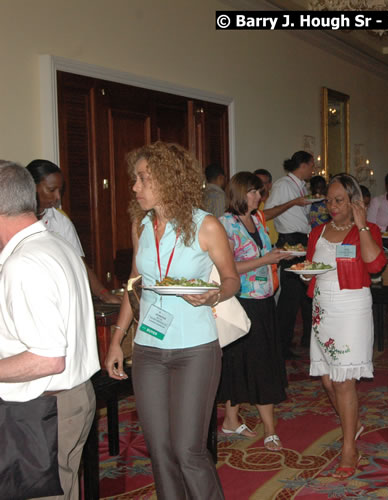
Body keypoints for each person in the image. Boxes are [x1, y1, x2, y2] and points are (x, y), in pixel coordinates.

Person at [104, 142, 240, 499]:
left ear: (167, 180)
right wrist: (117, 340)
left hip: (195, 349)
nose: (135, 186)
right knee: (160, 451)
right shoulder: (141, 225)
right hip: (149, 351)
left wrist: (215, 294)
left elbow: (231, 280)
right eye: (135, 178)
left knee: (187, 450)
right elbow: (135, 284)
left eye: (142, 178)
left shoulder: (205, 225)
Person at [0, 161, 100, 500]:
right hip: (66, 399)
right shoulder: (55, 244)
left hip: (46, 408)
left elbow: (48, 358)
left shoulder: (24, 262)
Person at [302, 174, 385, 479]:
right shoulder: (317, 232)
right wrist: (306, 274)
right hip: (322, 309)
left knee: (343, 382)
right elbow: (310, 267)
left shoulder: (367, 229)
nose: (332, 206)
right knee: (327, 380)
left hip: (351, 310)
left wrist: (362, 225)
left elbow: (376, 265)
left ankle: (349, 447)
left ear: (354, 202)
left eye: (339, 200)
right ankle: (353, 424)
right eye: (329, 200)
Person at [217, 172, 291, 451]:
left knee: (261, 360)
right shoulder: (225, 224)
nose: (260, 196)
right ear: (240, 193)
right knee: (243, 362)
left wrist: (276, 256)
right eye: (255, 192)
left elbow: (263, 255)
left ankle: (239, 422)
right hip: (241, 299)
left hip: (263, 298)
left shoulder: (257, 220)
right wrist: (265, 259)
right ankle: (255, 426)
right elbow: (227, 267)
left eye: (260, 192)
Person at [26, 159, 121, 304]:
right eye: (51, 190)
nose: (58, 197)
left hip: (55, 298)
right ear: (31, 187)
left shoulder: (61, 221)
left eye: (60, 190)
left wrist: (104, 295)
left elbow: (79, 263)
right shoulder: (12, 221)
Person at [265, 151, 315, 358]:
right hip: (290, 241)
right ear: (303, 165)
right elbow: (268, 212)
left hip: (303, 240)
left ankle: (307, 340)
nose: (313, 169)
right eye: (312, 165)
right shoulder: (283, 185)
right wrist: (293, 202)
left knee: (306, 293)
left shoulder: (302, 186)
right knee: (290, 297)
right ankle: (280, 347)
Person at [254, 168, 279, 245]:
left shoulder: (278, 199)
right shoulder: (250, 202)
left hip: (276, 245)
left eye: (262, 183)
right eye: (256, 182)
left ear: (269, 185)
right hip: (257, 246)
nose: (259, 186)